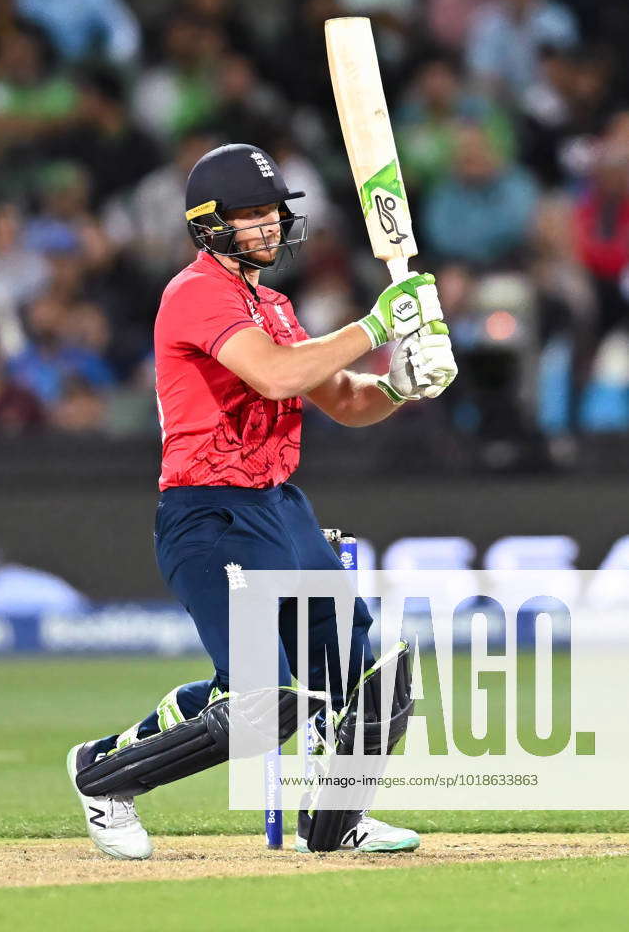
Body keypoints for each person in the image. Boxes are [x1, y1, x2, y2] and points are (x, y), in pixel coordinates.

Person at [66, 144, 458, 860]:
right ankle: (101, 772)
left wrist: (402, 382)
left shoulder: (275, 305)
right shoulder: (194, 292)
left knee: (360, 675)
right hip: (209, 514)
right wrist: (374, 327)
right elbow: (276, 378)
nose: (268, 227)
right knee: (257, 703)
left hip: (282, 508)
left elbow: (341, 399)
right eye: (249, 216)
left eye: (273, 213)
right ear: (209, 224)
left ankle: (337, 820)